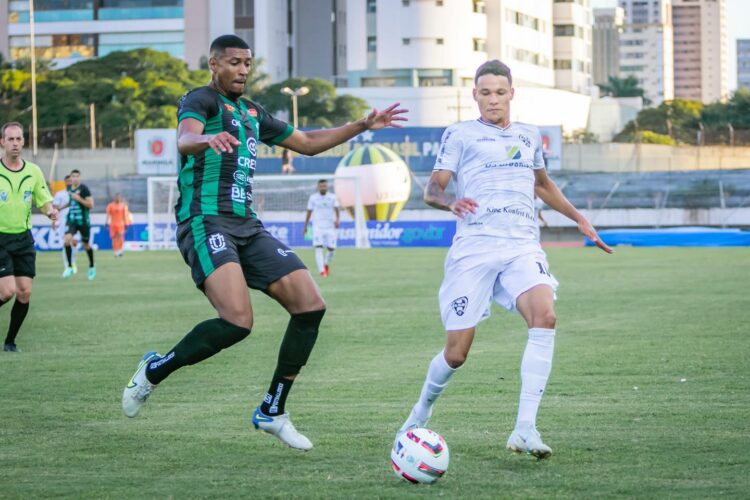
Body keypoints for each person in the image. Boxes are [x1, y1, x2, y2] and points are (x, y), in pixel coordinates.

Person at [121, 34, 406, 450]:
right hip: (204, 221)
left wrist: (361, 125)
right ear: (214, 64)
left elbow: (306, 144)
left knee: (310, 306)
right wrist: (206, 140)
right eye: (234, 62)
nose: (242, 70)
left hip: (247, 226)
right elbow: (185, 138)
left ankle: (272, 409)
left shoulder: (253, 112)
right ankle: (155, 369)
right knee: (238, 322)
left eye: (247, 64)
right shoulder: (200, 100)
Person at [395, 60, 612, 459]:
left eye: (499, 91)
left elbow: (542, 185)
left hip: (522, 246)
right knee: (456, 353)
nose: (492, 99)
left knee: (545, 316)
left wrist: (580, 218)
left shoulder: (529, 137)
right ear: (474, 95)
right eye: (484, 92)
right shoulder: (459, 134)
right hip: (475, 249)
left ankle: (525, 429)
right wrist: (449, 201)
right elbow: (432, 189)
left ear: (512, 93)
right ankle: (418, 413)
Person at [0, 122, 58, 352]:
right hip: (0, 239)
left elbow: (43, 200)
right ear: (2, 142)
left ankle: (9, 342)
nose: (15, 143)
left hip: (23, 239)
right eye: (10, 139)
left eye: (18, 139)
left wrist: (51, 211)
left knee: (24, 292)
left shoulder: (33, 171)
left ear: (23, 142)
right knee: (7, 291)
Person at [61, 169, 95, 280]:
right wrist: (60, 208)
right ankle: (70, 267)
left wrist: (79, 198)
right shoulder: (70, 189)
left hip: (83, 222)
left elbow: (90, 205)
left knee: (86, 245)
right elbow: (71, 202)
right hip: (72, 221)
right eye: (73, 176)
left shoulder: (84, 189)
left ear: (79, 178)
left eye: (77, 176)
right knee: (67, 240)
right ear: (70, 178)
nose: (75, 178)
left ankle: (91, 266)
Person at [303, 179, 340, 277]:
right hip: (317, 227)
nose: (323, 188)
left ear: (327, 187)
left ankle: (326, 263)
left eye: (325, 186)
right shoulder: (313, 198)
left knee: (332, 249)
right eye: (321, 186)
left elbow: (336, 209)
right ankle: (322, 271)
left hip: (330, 226)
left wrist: (337, 220)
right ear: (318, 187)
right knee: (318, 248)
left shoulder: (332, 197)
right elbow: (309, 211)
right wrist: (305, 225)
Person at [52, 175, 77, 273]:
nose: (69, 183)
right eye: (67, 181)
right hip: (63, 222)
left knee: (74, 243)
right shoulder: (60, 194)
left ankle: (73, 262)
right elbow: (55, 209)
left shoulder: (77, 193)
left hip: (75, 221)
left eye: (71, 181)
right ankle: (67, 266)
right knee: (65, 243)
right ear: (65, 182)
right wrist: (54, 221)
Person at [105, 193, 131, 257]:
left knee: (121, 237)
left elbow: (125, 215)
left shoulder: (123, 205)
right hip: (113, 224)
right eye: (116, 197)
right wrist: (106, 223)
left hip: (121, 224)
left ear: (120, 198)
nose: (117, 198)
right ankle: (116, 251)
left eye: (118, 197)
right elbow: (108, 215)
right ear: (114, 198)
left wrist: (126, 224)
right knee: (114, 238)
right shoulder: (110, 205)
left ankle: (120, 250)